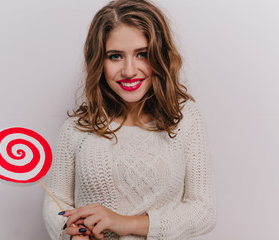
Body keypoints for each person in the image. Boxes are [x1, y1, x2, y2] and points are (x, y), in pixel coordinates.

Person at [43, 0, 217, 239]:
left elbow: (203, 211)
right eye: (115, 56)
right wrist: (70, 233)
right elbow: (56, 202)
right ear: (98, 62)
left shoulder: (184, 118)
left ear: (160, 56)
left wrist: (125, 223)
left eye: (142, 54)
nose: (129, 70)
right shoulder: (76, 129)